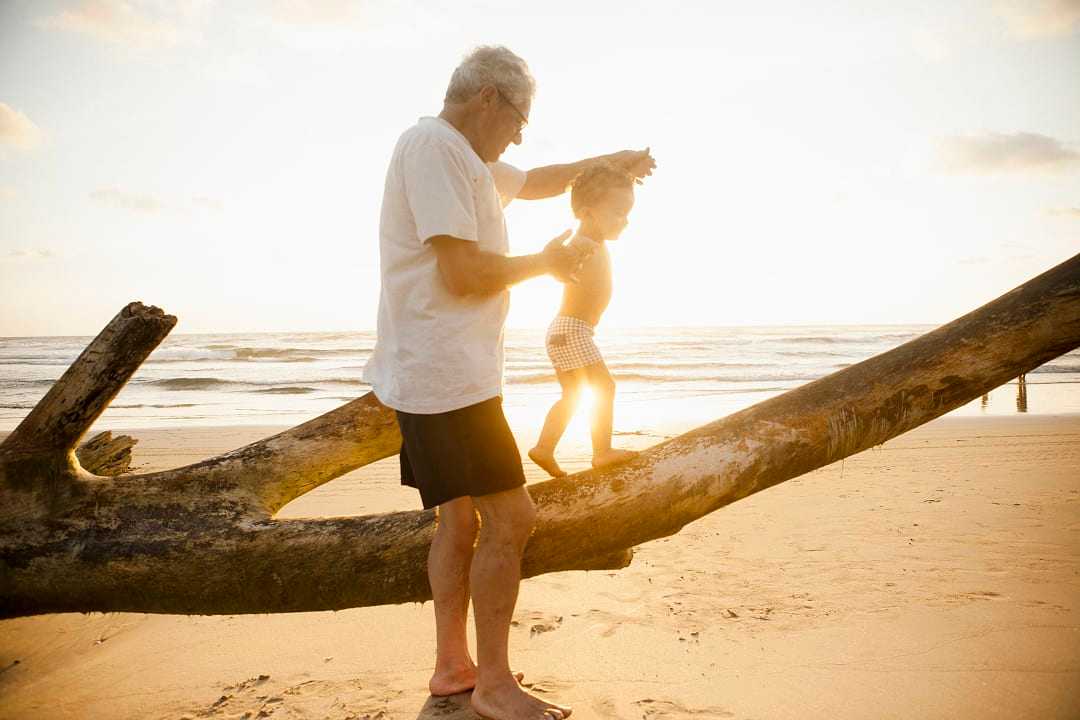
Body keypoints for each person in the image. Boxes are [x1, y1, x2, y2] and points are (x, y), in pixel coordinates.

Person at [362, 45, 653, 720]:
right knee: (512, 518)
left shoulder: (466, 158)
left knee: (457, 521)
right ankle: (493, 684)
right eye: (519, 116)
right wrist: (547, 262)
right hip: (447, 376)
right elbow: (461, 275)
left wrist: (614, 162)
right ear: (487, 98)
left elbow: (544, 179)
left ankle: (451, 667)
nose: (521, 133)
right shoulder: (434, 149)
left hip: (436, 370)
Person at [528, 162, 645, 478]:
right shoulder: (582, 244)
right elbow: (561, 261)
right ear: (588, 212)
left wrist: (624, 171)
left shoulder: (595, 242)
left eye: (627, 212)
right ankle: (601, 452)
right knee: (604, 387)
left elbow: (597, 184)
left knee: (574, 394)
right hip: (572, 329)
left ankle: (544, 448)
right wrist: (559, 260)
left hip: (564, 331)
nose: (625, 220)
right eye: (618, 212)